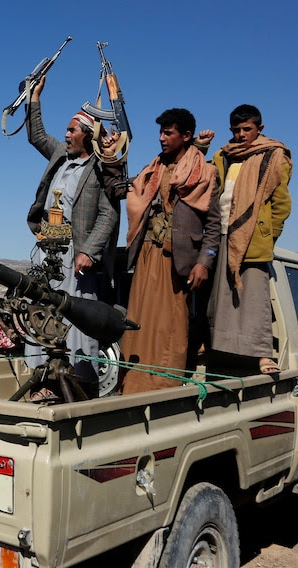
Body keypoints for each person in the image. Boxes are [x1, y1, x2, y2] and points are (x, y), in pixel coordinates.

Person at [23, 76, 123, 400]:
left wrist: (90, 252)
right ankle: (45, 385)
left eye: (71, 131)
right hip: (49, 248)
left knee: (78, 319)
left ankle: (82, 390)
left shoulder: (102, 167)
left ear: (87, 136)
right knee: (42, 312)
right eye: (66, 130)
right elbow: (36, 135)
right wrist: (34, 96)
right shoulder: (60, 157)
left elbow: (108, 214)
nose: (65, 135)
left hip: (78, 257)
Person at [119, 108, 220, 394]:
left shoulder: (205, 173)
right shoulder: (154, 169)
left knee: (169, 326)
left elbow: (213, 226)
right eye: (161, 133)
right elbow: (122, 188)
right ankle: (133, 386)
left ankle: (164, 386)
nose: (162, 138)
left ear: (186, 136)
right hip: (148, 254)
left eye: (168, 133)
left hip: (177, 261)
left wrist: (205, 262)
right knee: (139, 321)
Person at [200, 105, 292, 374]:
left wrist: (266, 235)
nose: (241, 135)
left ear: (259, 129)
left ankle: (262, 355)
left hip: (252, 237)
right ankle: (217, 348)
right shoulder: (223, 155)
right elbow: (202, 178)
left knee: (253, 298)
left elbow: (281, 205)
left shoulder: (274, 155)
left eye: (246, 129)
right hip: (222, 233)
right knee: (218, 299)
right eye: (236, 130)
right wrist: (201, 147)